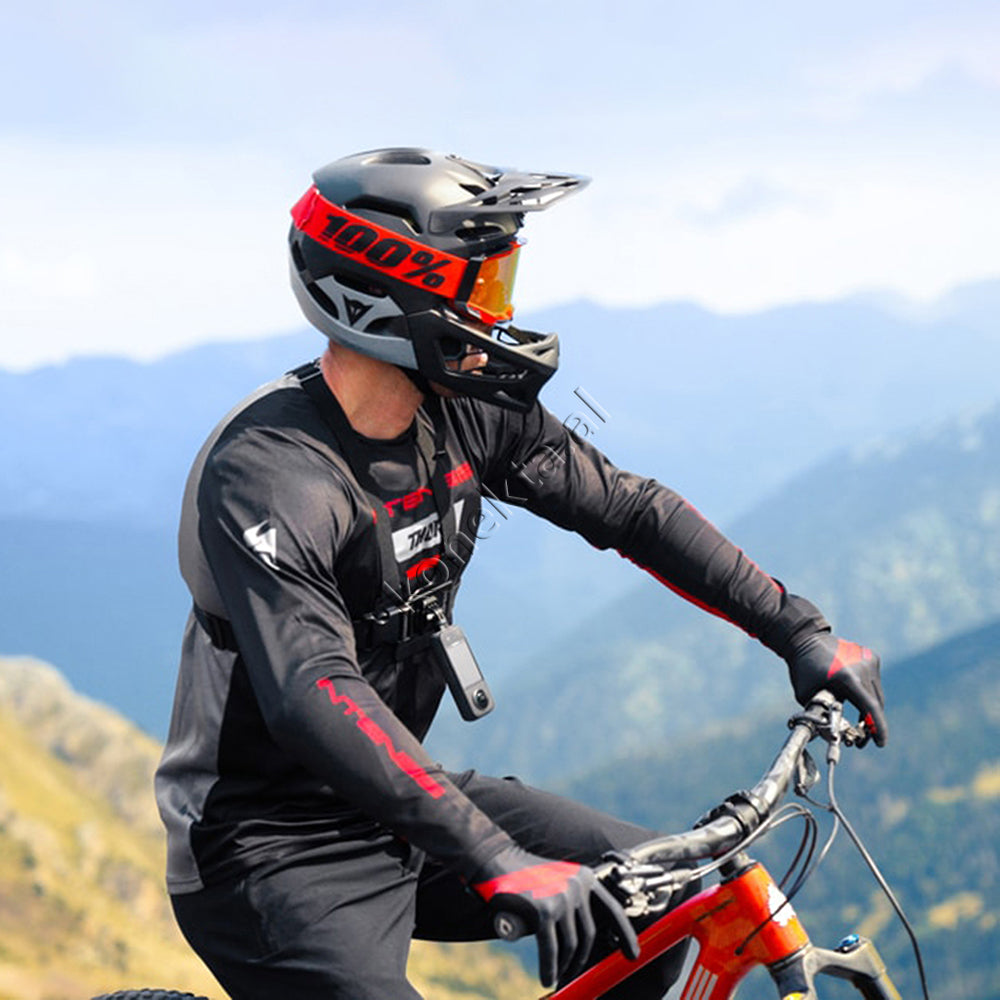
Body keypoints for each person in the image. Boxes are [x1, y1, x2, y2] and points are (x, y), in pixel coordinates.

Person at [155, 147, 887, 1000]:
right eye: (482, 287)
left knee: (673, 907)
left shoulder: (465, 411)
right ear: (388, 298)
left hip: (404, 802)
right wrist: (493, 855)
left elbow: (629, 510)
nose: (498, 318)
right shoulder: (272, 473)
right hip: (267, 847)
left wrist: (799, 631)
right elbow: (312, 690)